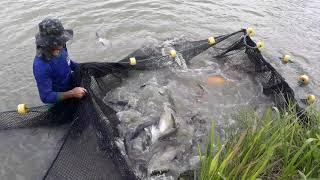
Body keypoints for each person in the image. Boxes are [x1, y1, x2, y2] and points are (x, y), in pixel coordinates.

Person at [33, 18, 87, 104]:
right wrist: (72, 93)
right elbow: (46, 97)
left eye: (62, 40)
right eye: (58, 42)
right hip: (59, 101)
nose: (62, 44)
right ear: (48, 44)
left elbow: (68, 62)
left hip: (72, 87)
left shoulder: (61, 46)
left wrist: (81, 68)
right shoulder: (41, 66)